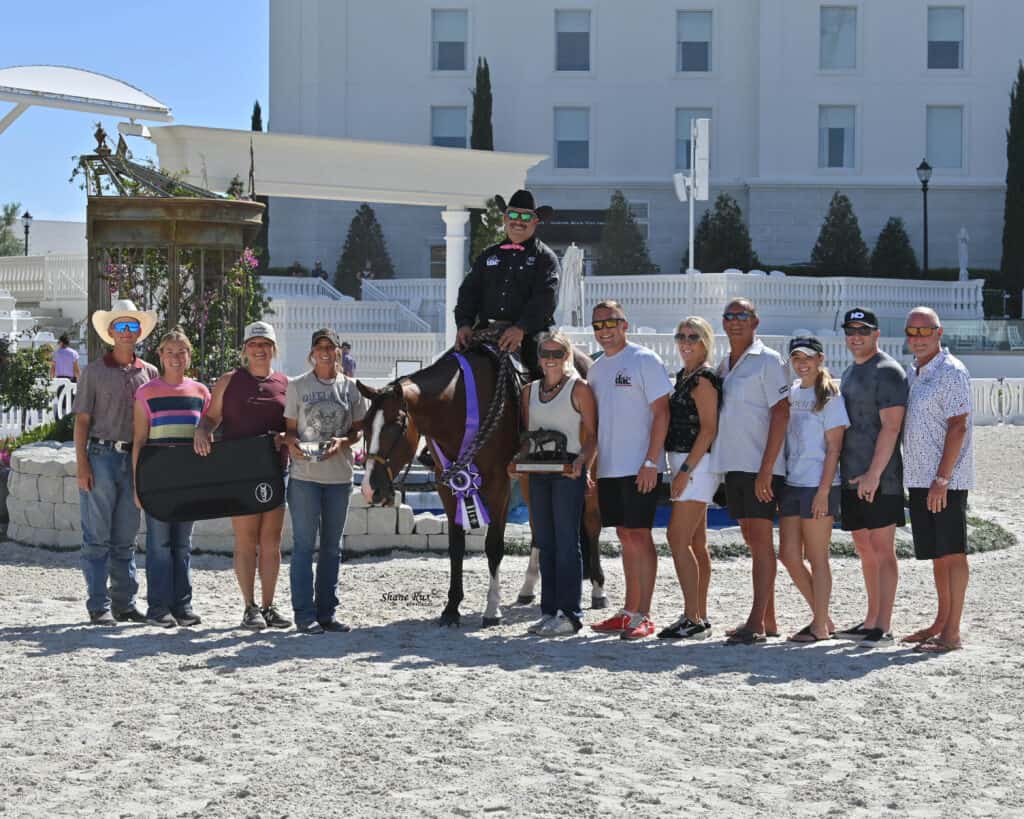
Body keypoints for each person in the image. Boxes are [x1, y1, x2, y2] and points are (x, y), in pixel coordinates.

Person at [194, 321, 292, 630]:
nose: (259, 349)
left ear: (273, 349)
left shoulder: (285, 384)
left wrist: (283, 437)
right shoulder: (229, 381)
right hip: (239, 472)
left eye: (265, 344)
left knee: (271, 541)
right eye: (253, 344)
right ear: (245, 349)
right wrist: (201, 432)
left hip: (275, 470)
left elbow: (293, 429)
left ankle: (269, 605)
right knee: (246, 540)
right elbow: (210, 418)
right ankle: (249, 606)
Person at [587, 301, 672, 640]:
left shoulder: (644, 360)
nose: (604, 330)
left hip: (641, 467)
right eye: (598, 325)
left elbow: (662, 413)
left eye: (610, 322)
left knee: (639, 535)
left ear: (625, 325)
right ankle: (629, 610)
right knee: (624, 536)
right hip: (609, 468)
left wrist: (652, 462)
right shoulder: (595, 370)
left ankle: (645, 615)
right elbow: (595, 426)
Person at [72, 299, 159, 625]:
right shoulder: (94, 371)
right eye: (120, 326)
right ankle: (98, 605)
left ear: (139, 332)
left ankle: (124, 603)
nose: (126, 332)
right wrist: (82, 464)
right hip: (101, 457)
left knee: (126, 537)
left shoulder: (149, 373)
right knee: (96, 537)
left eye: (132, 326)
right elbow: (82, 421)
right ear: (110, 332)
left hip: (135, 459)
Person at [710, 298, 790, 645]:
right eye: (729, 316)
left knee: (760, 544)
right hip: (735, 464)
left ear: (755, 321)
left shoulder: (768, 360)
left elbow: (782, 413)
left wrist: (767, 470)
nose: (735, 321)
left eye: (742, 315)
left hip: (761, 466)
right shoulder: (723, 365)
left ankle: (756, 621)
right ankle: (768, 619)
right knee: (751, 540)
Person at [283, 328, 368, 634]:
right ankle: (304, 615)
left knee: (332, 548)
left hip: (339, 476)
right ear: (312, 352)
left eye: (329, 346)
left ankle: (327, 612)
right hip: (304, 476)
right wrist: (292, 445)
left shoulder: (351, 388)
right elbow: (290, 429)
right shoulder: (297, 386)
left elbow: (358, 429)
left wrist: (343, 442)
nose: (324, 351)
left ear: (337, 352)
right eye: (319, 346)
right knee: (304, 546)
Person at [900, 307, 974, 653]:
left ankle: (953, 633)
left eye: (924, 331)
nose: (917, 338)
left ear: (939, 332)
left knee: (952, 554)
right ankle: (941, 622)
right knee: (938, 556)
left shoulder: (951, 372)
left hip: (946, 481)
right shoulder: (915, 373)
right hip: (919, 478)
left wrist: (942, 478)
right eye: (911, 331)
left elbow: (958, 425)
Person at [515, 330, 597, 637]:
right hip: (538, 472)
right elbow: (528, 434)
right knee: (544, 542)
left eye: (557, 354)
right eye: (545, 354)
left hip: (567, 473)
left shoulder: (580, 389)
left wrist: (582, 463)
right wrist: (516, 461)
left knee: (566, 543)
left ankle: (570, 613)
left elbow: (592, 436)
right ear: (538, 358)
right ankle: (548, 611)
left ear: (567, 357)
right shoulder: (529, 391)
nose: (550, 360)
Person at [837, 307, 908, 644]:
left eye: (863, 331)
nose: (856, 336)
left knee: (882, 550)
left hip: (882, 478)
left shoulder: (888, 371)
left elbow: (891, 428)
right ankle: (870, 621)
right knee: (865, 550)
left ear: (876, 334)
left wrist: (873, 474)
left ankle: (884, 625)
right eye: (851, 330)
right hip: (852, 476)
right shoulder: (850, 371)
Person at [131, 327, 211, 628]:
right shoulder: (146, 393)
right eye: (170, 352)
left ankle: (182, 606)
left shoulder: (201, 392)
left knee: (182, 546)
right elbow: (139, 440)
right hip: (157, 483)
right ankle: (157, 608)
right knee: (159, 546)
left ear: (189, 356)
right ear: (160, 356)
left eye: (182, 352)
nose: (176, 357)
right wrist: (137, 485)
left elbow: (209, 439)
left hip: (189, 484)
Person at [778, 337, 849, 642]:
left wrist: (823, 492)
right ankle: (824, 619)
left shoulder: (831, 396)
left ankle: (819, 625)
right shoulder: (793, 392)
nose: (802, 362)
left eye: (807, 357)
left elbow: (834, 449)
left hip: (819, 485)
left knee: (817, 558)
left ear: (820, 358)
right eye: (796, 357)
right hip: (793, 483)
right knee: (789, 556)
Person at [659, 316, 721, 640]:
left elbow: (709, 429)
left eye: (693, 336)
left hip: (696, 463)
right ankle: (699, 615)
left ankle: (692, 616)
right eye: (680, 335)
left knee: (677, 539)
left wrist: (684, 472)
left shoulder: (703, 379)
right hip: (688, 461)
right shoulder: (685, 375)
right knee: (696, 543)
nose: (685, 341)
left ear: (705, 341)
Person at [454, 189, 559, 375]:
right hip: (487, 329)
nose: (518, 221)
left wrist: (521, 328)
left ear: (535, 221)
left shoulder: (545, 258)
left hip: (529, 334)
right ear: (504, 218)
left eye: (525, 217)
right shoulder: (488, 256)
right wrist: (464, 323)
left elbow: (545, 299)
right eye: (512, 214)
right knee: (452, 366)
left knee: (540, 377)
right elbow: (469, 291)